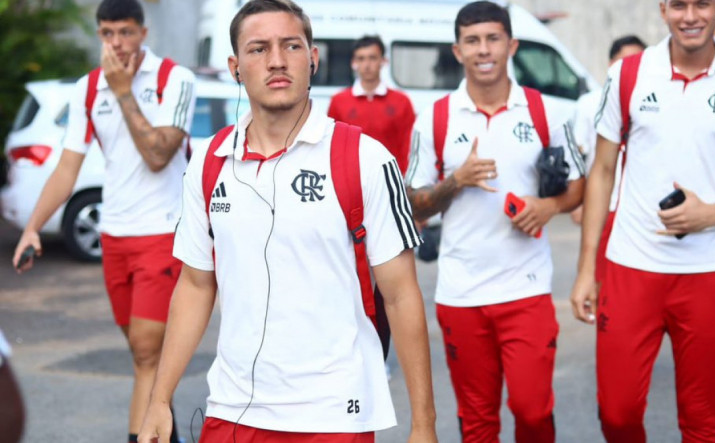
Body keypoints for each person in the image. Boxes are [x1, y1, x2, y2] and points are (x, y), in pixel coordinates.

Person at [137, 1, 437, 442]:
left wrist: (423, 425)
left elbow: (401, 296)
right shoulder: (210, 162)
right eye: (258, 49)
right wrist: (159, 399)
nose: (277, 60)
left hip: (334, 415)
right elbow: (196, 285)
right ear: (235, 67)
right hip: (232, 411)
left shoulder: (365, 159)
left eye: (291, 45)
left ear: (312, 58)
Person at [569, 0, 715, 441]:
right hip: (630, 267)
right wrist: (587, 268)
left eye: (702, 3)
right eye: (679, 4)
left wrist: (712, 213)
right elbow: (602, 172)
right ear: (662, 8)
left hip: (707, 273)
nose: (690, 16)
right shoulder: (626, 75)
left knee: (703, 423)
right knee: (617, 415)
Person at [11, 1, 195, 441]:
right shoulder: (88, 88)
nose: (117, 43)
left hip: (161, 233)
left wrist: (124, 91)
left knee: (149, 352)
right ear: (99, 35)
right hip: (114, 236)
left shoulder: (175, 80)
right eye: (108, 33)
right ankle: (165, 433)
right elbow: (67, 167)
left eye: (126, 32)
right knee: (139, 353)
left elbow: (157, 155)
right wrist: (33, 226)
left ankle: (144, 435)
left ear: (144, 33)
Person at [406, 2, 584, 442]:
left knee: (532, 411)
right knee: (477, 421)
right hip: (461, 292)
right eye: (472, 41)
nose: (483, 50)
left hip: (526, 289)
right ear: (457, 50)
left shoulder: (547, 112)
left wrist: (548, 207)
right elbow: (413, 206)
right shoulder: (436, 118)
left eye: (492, 39)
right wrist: (457, 182)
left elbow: (579, 187)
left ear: (512, 44)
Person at [570, 35, 646, 225]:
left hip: (643, 210)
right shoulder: (589, 104)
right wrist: (578, 202)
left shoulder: (655, 106)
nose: (632, 69)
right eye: (625, 61)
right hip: (603, 206)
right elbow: (578, 156)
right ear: (612, 64)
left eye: (638, 62)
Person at [328, 35, 416, 175]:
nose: (367, 65)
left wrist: (403, 179)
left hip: (390, 179)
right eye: (361, 59)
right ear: (353, 63)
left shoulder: (401, 101)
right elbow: (333, 146)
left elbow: (409, 146)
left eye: (372, 58)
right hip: (352, 179)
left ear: (383, 61)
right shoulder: (339, 101)